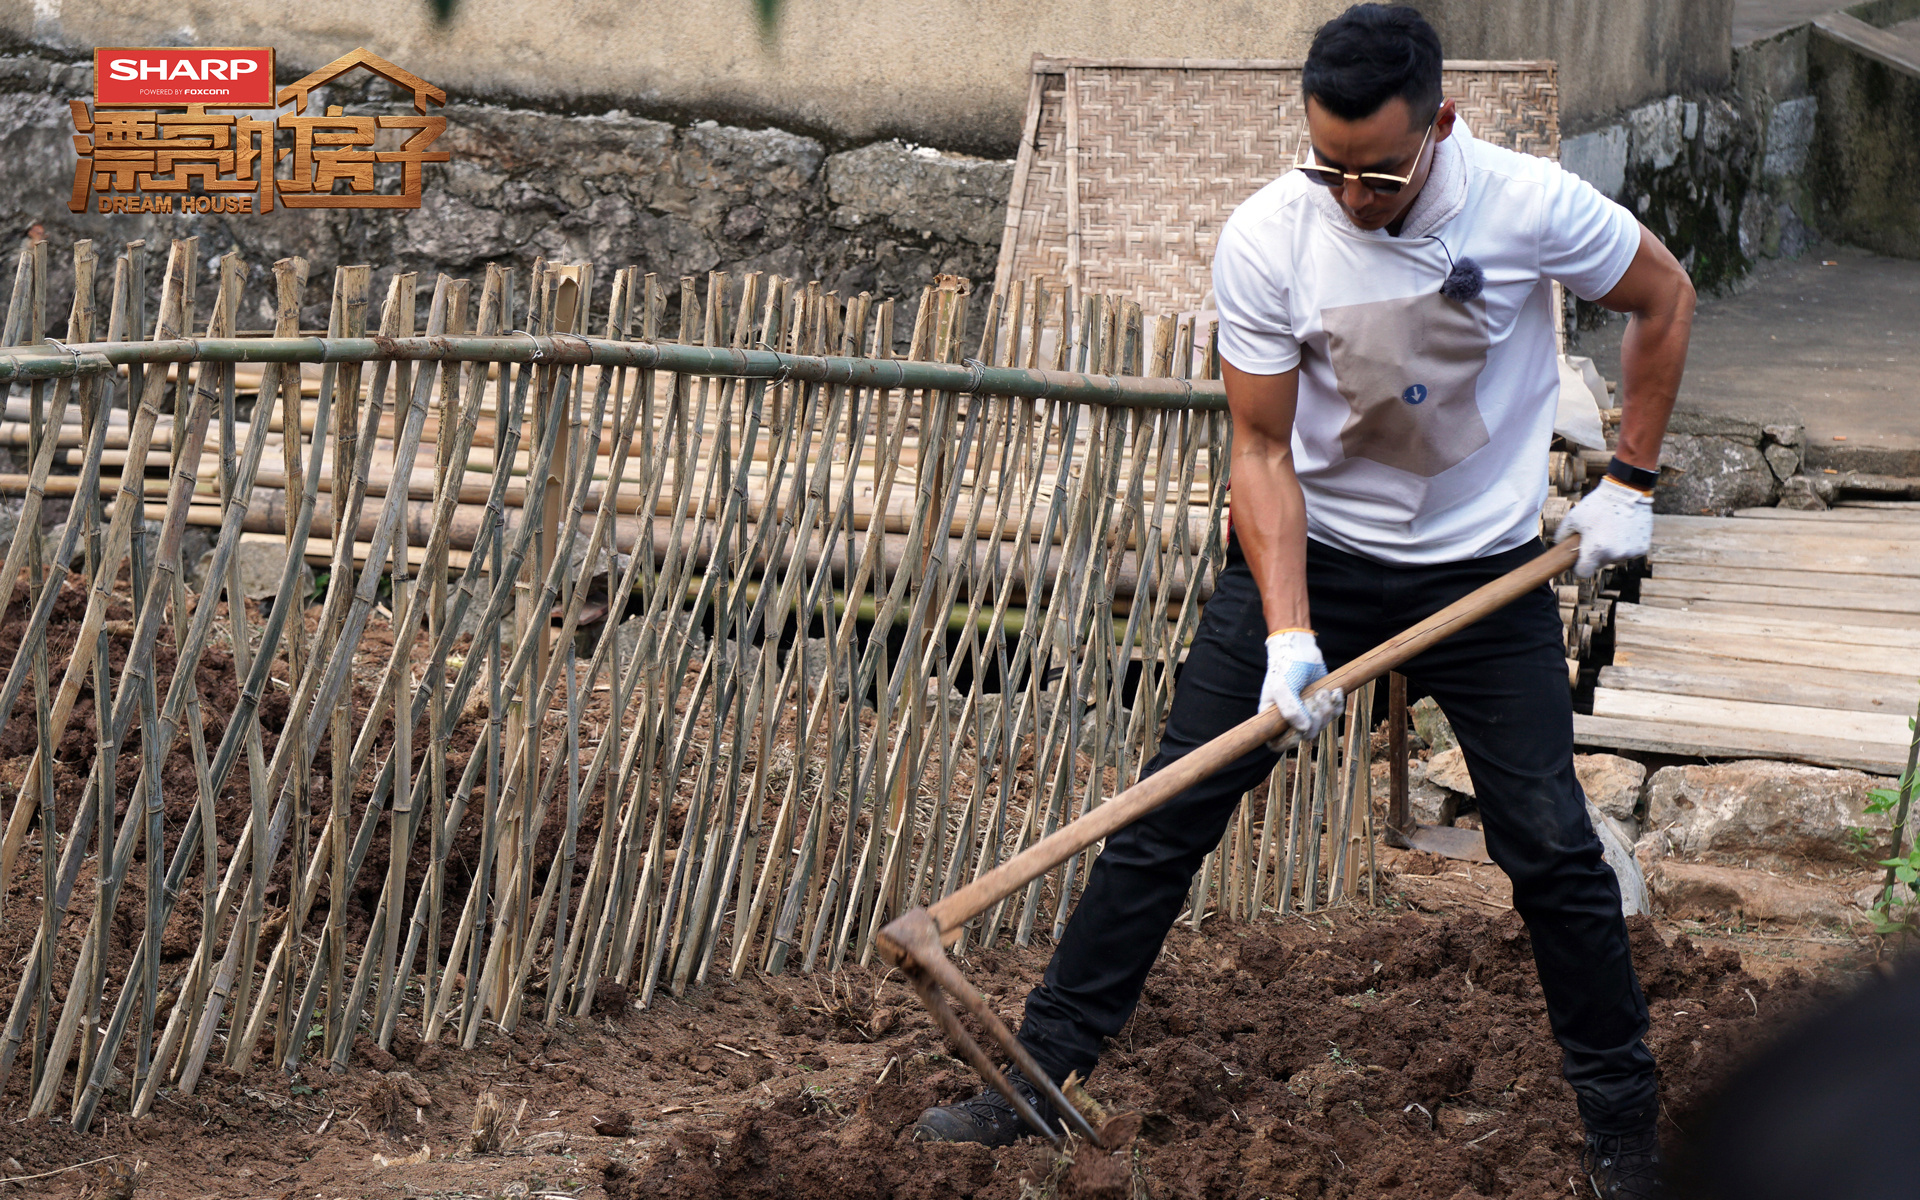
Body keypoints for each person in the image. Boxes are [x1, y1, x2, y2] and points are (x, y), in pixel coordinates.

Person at [912, 7, 1695, 1199]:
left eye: (1378, 170)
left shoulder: (1530, 203)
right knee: (1167, 817)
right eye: (1326, 162)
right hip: (1318, 559)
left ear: (1440, 123)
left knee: (1549, 849)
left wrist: (1629, 482)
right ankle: (1034, 1075)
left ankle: (1623, 1125)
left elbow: (1663, 295)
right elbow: (1263, 449)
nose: (1351, 193)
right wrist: (1286, 632)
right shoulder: (1273, 233)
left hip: (1486, 575)